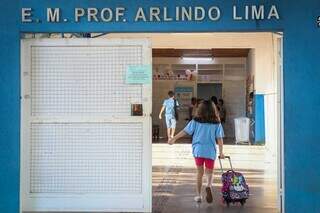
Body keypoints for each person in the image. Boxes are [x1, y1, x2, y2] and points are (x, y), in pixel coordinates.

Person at [168, 100, 225, 203]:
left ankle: (198, 196)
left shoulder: (195, 121)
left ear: (200, 110)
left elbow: (185, 131)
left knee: (199, 173)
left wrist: (174, 138)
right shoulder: (217, 123)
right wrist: (221, 152)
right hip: (210, 151)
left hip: (198, 150)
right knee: (209, 172)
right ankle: (208, 185)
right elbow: (219, 138)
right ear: (213, 110)